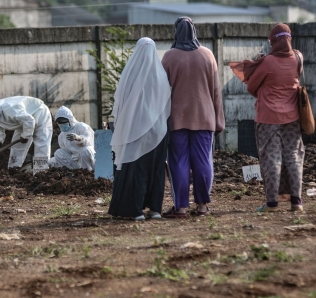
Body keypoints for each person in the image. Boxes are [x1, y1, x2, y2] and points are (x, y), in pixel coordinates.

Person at [232, 23, 304, 212]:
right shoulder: (298, 57)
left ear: (272, 40)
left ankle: (272, 203)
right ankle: (296, 202)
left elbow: (251, 87)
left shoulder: (268, 62)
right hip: (293, 116)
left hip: (268, 118)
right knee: (293, 156)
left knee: (271, 158)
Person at [161, 17, 224, 218]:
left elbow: (163, 92)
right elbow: (216, 91)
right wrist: (219, 120)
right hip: (205, 118)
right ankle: (203, 206)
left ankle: (180, 208)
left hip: (176, 120)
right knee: (203, 160)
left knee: (178, 162)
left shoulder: (169, 57)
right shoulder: (207, 55)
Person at [108, 38, 171, 221]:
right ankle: (155, 210)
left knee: (136, 169)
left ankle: (135, 210)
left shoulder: (130, 75)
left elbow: (120, 103)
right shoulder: (161, 76)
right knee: (157, 170)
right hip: (158, 132)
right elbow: (167, 104)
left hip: (134, 131)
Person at [0, 96, 53, 169]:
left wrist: (26, 136)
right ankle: (13, 169)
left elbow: (29, 120)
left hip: (40, 114)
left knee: (41, 144)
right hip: (23, 122)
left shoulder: (11, 109)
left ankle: (41, 171)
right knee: (17, 146)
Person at [49, 106, 95, 170]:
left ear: (70, 120)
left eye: (64, 122)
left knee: (84, 151)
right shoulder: (62, 136)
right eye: (60, 123)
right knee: (58, 153)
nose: (62, 125)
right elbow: (66, 151)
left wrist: (79, 138)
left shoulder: (81, 127)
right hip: (75, 159)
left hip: (89, 158)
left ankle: (88, 171)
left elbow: (90, 142)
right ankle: (73, 173)